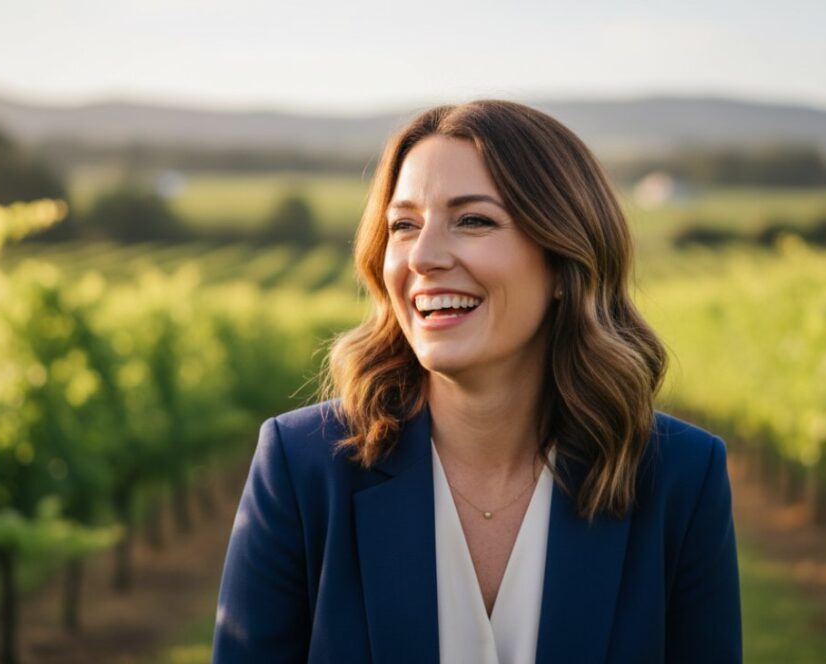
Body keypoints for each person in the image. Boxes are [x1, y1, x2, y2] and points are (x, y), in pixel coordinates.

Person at [212, 100, 742, 663]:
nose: (425, 256)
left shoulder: (681, 477)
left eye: (473, 220)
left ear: (564, 261)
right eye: (404, 225)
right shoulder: (302, 466)